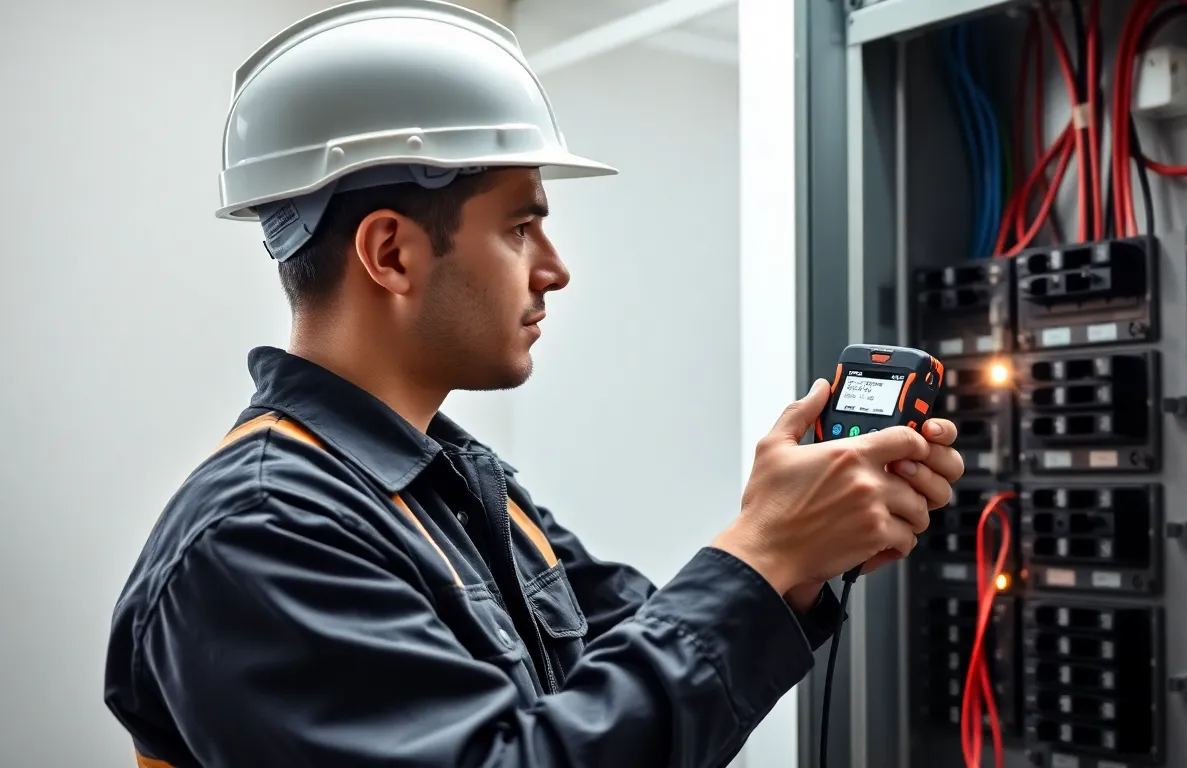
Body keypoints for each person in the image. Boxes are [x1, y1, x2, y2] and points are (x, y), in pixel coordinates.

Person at [103, 2, 964, 766]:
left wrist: (798, 553)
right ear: (390, 252)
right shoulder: (261, 533)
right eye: (520, 227)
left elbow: (623, 702)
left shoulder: (450, 488)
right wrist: (765, 551)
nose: (554, 270)